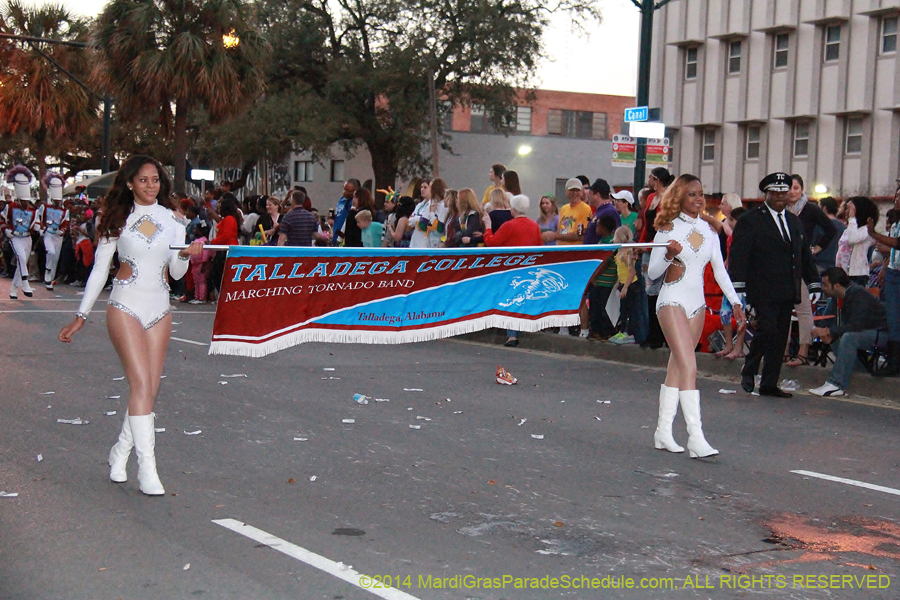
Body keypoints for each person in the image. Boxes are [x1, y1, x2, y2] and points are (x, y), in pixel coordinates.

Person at [58, 155, 205, 496]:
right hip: (125, 305)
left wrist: (186, 255)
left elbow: (178, 274)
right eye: (143, 180)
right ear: (129, 183)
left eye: (155, 180)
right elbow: (99, 270)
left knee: (148, 391)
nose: (150, 186)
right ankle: (148, 469)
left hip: (160, 308)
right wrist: (81, 316)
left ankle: (120, 452)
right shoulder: (116, 219)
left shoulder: (173, 220)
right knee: (140, 385)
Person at [648, 174, 745, 458]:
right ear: (680, 197)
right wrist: (667, 255)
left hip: (697, 305)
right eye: (692, 194)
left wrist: (735, 301)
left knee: (677, 368)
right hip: (671, 300)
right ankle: (695, 436)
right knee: (689, 366)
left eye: (700, 194)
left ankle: (663, 432)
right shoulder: (667, 229)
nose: (698, 199)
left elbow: (719, 270)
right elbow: (653, 273)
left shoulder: (710, 232)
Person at [729, 172, 821, 397]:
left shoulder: (793, 221)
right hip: (761, 288)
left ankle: (769, 383)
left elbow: (803, 255)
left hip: (787, 288)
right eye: (775, 192)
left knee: (780, 337)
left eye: (784, 192)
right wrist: (739, 288)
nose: (780, 196)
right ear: (766, 193)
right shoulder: (751, 220)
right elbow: (739, 255)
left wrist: (814, 283)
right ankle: (750, 367)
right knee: (767, 331)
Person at [808, 267, 887, 397]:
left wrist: (829, 331)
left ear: (837, 285)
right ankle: (858, 373)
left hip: (884, 333)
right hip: (868, 331)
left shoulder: (859, 295)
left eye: (825, 285)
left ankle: (837, 383)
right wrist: (824, 332)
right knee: (837, 337)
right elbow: (826, 322)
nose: (823, 288)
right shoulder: (836, 297)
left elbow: (856, 325)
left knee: (850, 337)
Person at [482, 193, 543, 347]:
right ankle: (517, 331)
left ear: (513, 210)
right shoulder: (534, 226)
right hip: (528, 267)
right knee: (522, 298)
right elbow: (540, 247)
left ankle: (512, 335)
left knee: (511, 299)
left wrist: (488, 227)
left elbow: (492, 243)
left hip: (510, 268)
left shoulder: (509, 225)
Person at [864, 185, 900, 376]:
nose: (897, 199)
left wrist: (874, 234)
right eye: (896, 196)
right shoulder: (895, 224)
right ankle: (894, 362)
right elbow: (893, 251)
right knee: (893, 319)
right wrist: (885, 267)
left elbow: (897, 244)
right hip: (894, 273)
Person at [715, 207, 748, 360]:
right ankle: (729, 344)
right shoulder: (732, 238)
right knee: (725, 313)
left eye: (732, 220)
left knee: (740, 315)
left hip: (742, 280)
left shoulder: (747, 237)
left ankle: (738, 346)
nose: (729, 222)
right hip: (730, 278)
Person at [3, 165, 38, 299]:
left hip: (27, 238)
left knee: (21, 263)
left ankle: (13, 288)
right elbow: (2, 219)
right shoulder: (10, 207)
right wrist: (6, 230)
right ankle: (25, 283)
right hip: (15, 237)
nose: (25, 203)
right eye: (23, 200)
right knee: (21, 258)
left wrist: (37, 228)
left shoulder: (32, 211)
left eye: (27, 200)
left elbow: (36, 223)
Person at [37, 172, 69, 290]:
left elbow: (65, 223)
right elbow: (37, 218)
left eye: (58, 201)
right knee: (50, 252)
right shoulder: (44, 207)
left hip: (58, 236)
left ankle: (50, 280)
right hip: (48, 233)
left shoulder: (65, 211)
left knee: (55, 257)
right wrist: (40, 229)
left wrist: (62, 230)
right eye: (55, 201)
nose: (56, 203)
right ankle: (47, 272)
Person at [836, 196, 878, 286]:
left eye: (850, 209)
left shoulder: (866, 230)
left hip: (857, 274)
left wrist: (852, 218)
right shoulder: (849, 229)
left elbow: (853, 239)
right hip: (843, 273)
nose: (846, 212)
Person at [609, 226, 638, 344]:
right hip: (622, 282)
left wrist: (625, 287)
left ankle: (629, 332)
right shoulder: (619, 252)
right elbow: (620, 270)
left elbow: (632, 271)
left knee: (628, 309)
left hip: (630, 284)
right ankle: (622, 330)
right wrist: (618, 283)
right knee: (623, 309)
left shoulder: (626, 252)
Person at [542, 178, 592, 245]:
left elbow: (580, 235)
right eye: (571, 190)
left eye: (577, 190)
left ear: (582, 192)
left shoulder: (585, 208)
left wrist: (555, 236)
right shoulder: (564, 208)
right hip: (561, 250)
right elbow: (561, 231)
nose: (574, 193)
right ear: (566, 191)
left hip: (575, 251)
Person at [410, 179, 448, 249]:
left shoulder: (444, 206)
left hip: (439, 244)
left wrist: (431, 214)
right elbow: (423, 224)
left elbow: (440, 228)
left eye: (429, 187)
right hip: (429, 243)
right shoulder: (431, 203)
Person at [189, 222, 214, 304]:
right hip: (195, 264)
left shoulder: (204, 241)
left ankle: (202, 298)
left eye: (196, 229)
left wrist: (204, 262)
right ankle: (197, 297)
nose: (194, 231)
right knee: (196, 281)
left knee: (201, 281)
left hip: (201, 264)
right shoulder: (196, 240)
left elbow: (205, 253)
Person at [332, 179, 360, 246]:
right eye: (345, 189)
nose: (345, 192)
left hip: (342, 239)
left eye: (349, 191)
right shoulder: (342, 200)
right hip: (335, 234)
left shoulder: (352, 202)